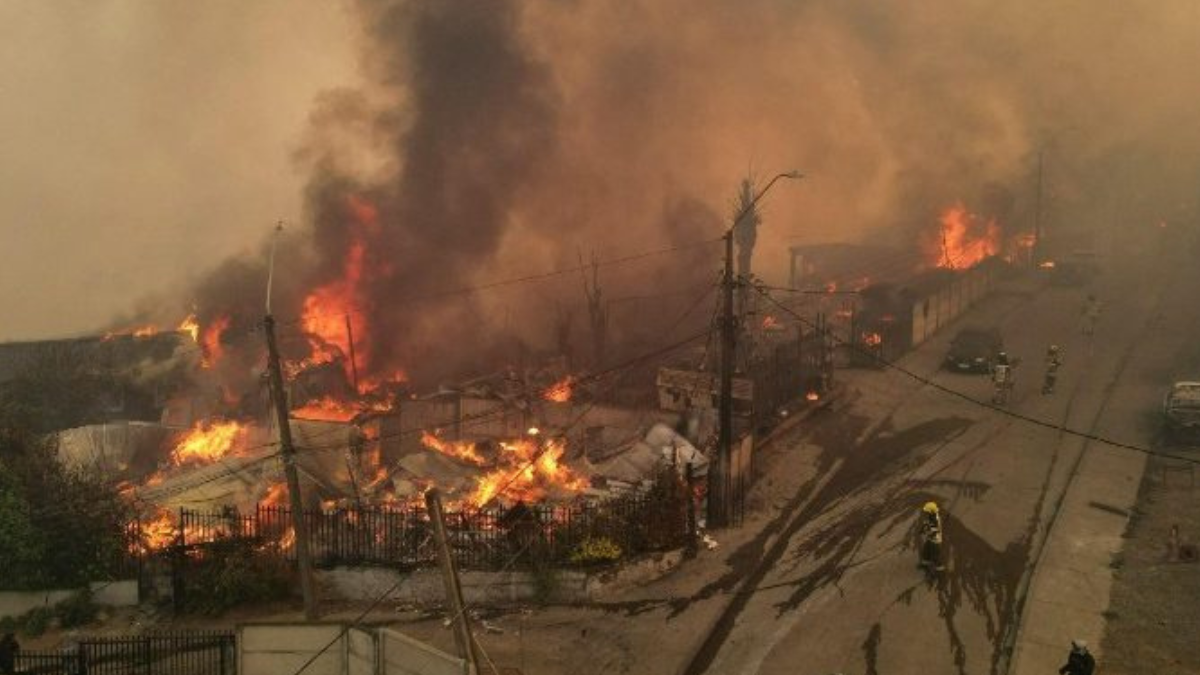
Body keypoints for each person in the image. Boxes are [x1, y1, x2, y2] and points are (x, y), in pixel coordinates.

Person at [918, 501, 944, 571]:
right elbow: (927, 523)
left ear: (931, 511)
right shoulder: (931, 516)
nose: (926, 512)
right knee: (925, 552)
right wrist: (923, 528)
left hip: (935, 541)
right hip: (930, 539)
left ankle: (940, 572)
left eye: (927, 511)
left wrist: (925, 532)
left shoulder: (935, 520)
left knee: (936, 557)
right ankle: (925, 564)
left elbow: (934, 531)